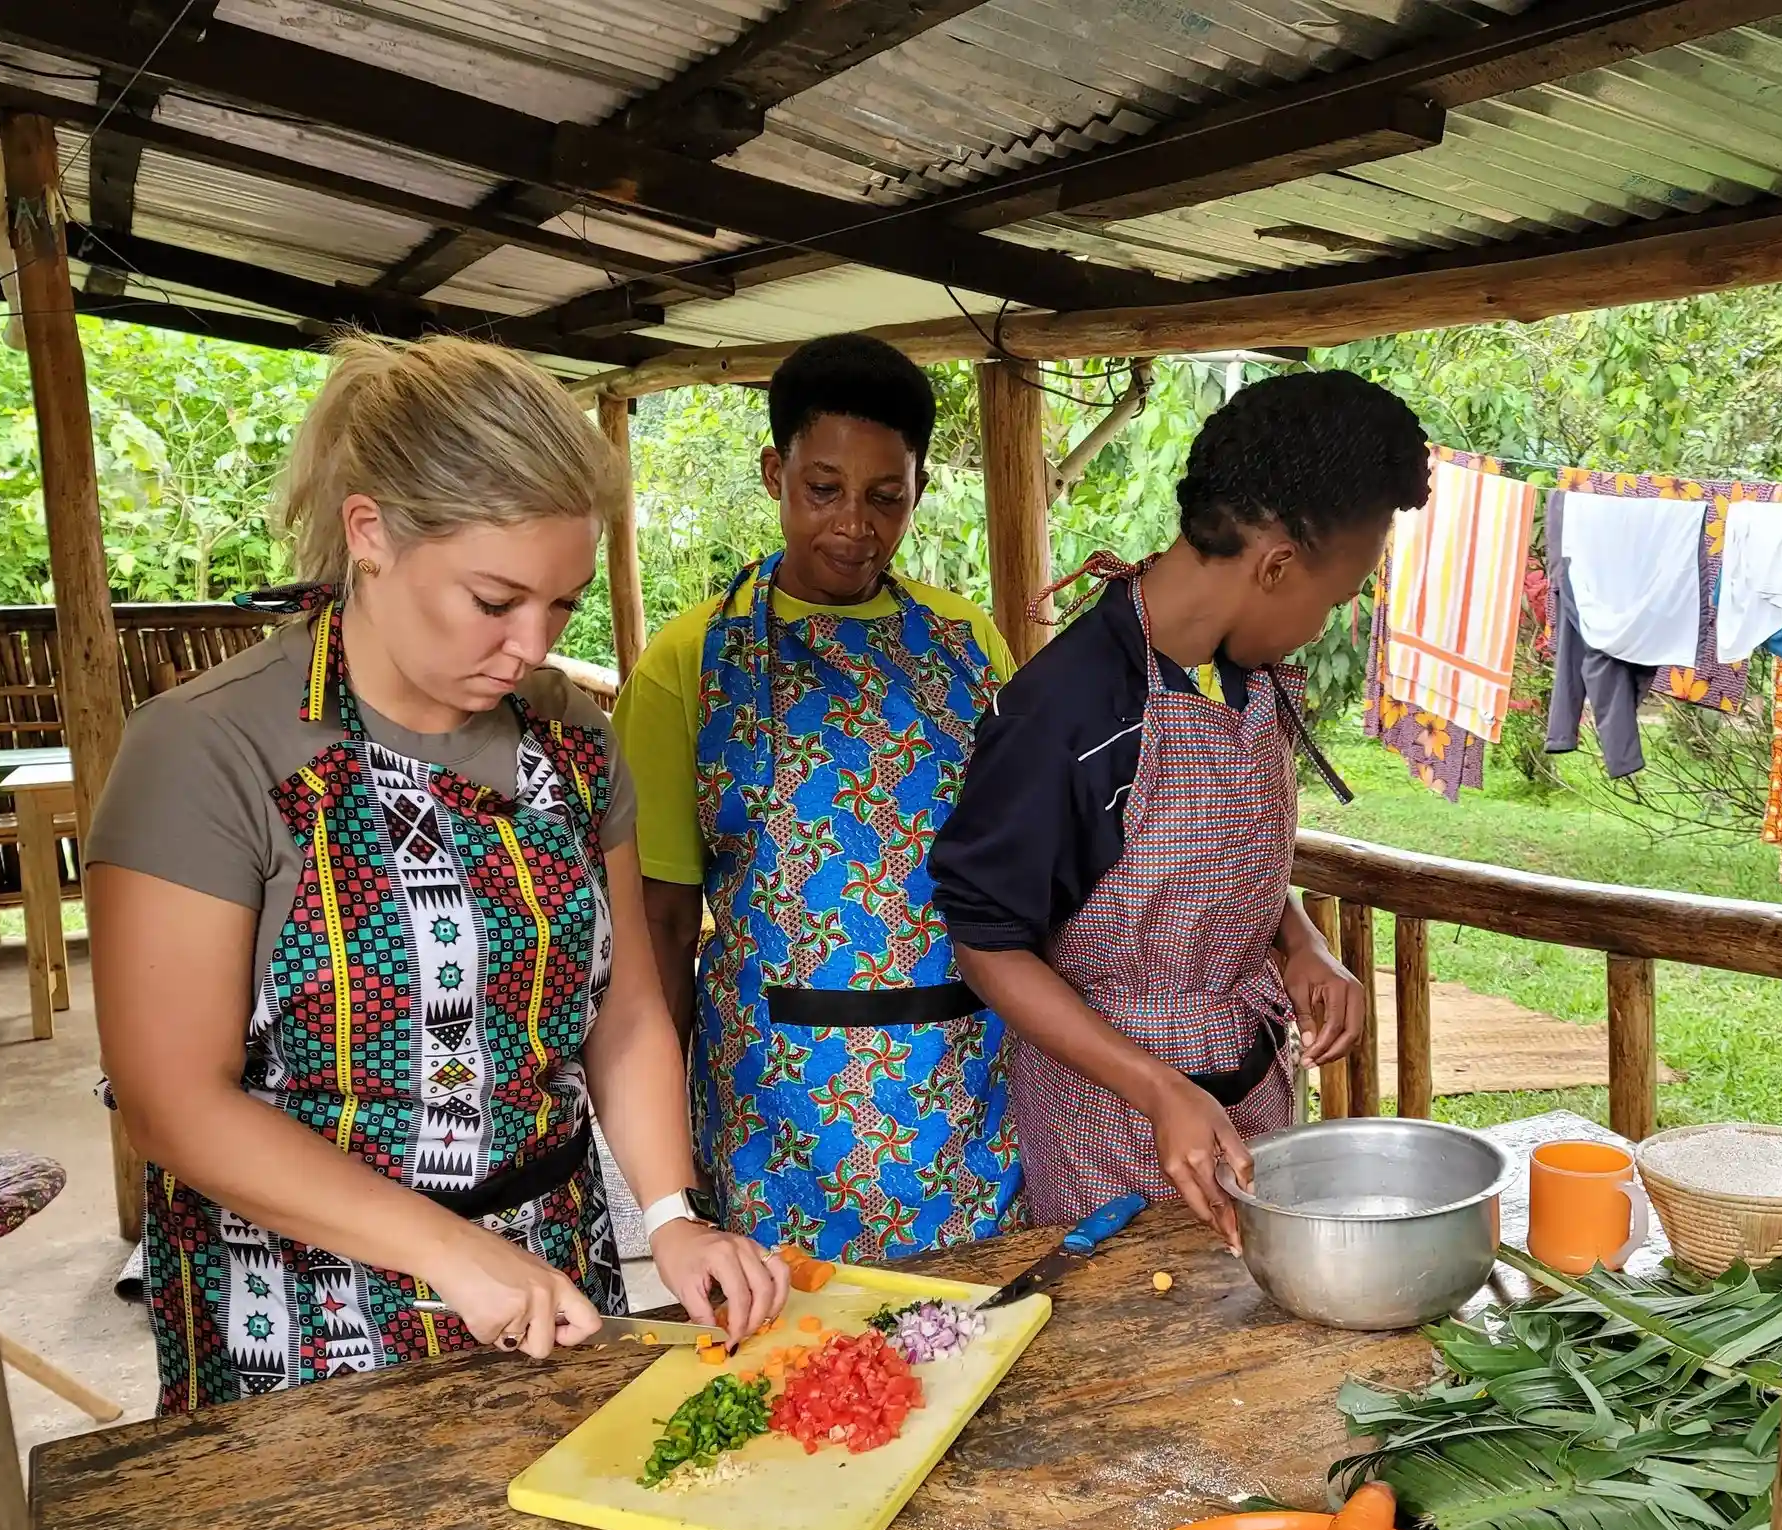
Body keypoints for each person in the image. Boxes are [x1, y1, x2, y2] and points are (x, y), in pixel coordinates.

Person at [90, 334, 785, 1415]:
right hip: (296, 1306)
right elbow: (172, 1101)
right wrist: (451, 1255)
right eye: (495, 599)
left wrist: (669, 1216)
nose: (530, 644)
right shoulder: (210, 749)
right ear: (369, 533)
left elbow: (629, 1011)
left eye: (561, 605)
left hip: (556, 1273)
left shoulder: (568, 742)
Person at [930, 370, 1430, 1242]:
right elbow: (983, 942)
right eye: (1338, 596)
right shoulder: (1072, 708)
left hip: (1255, 1091)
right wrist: (1159, 1087)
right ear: (1276, 565)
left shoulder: (1247, 675)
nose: (1329, 620)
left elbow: (1207, 864)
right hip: (1112, 1131)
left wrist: (1303, 943)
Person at [611, 334, 1021, 1262]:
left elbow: (1019, 863)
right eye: (823, 490)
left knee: (971, 1333)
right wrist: (668, 1169)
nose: (854, 526)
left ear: (918, 489)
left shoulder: (969, 644)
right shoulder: (691, 661)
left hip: (956, 1080)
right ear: (774, 473)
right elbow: (666, 921)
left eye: (887, 498)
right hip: (771, 1096)